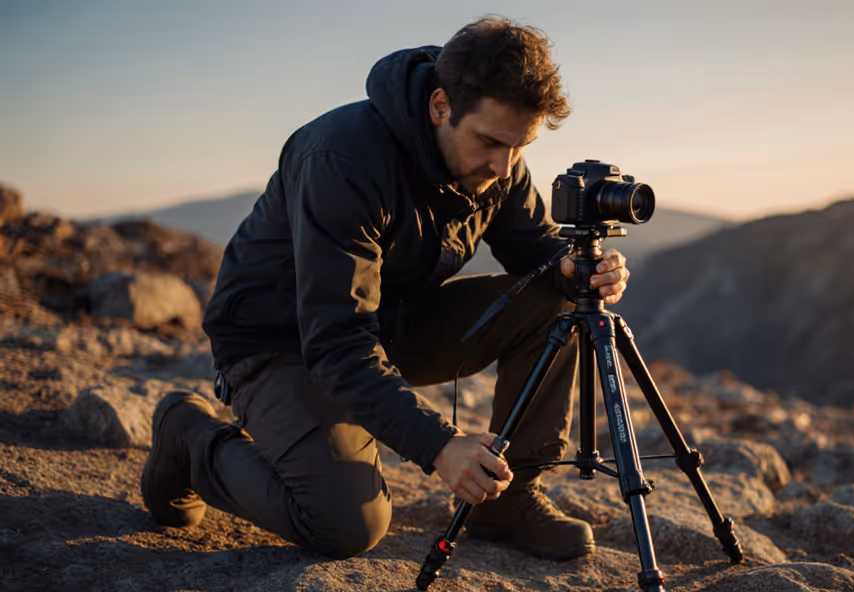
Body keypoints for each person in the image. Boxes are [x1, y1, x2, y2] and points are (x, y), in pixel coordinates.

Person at [140, 16, 631, 563]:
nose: (505, 165)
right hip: (283, 344)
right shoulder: (341, 159)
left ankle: (507, 498)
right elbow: (335, 342)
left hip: (389, 323)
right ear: (440, 106)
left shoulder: (498, 157)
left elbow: (533, 248)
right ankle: (190, 438)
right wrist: (440, 445)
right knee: (347, 523)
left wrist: (579, 269)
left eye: (520, 147)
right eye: (491, 142)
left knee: (556, 299)